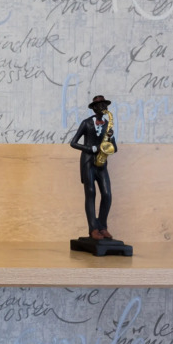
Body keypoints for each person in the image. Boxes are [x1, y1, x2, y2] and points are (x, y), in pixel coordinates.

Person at [69, 95, 117, 240]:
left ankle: (102, 226)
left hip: (101, 164)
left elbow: (114, 147)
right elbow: (73, 143)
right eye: (101, 106)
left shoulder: (107, 125)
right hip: (88, 162)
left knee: (107, 194)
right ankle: (93, 229)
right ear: (94, 108)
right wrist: (92, 148)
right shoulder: (86, 123)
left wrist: (110, 140)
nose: (104, 108)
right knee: (90, 193)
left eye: (105, 105)